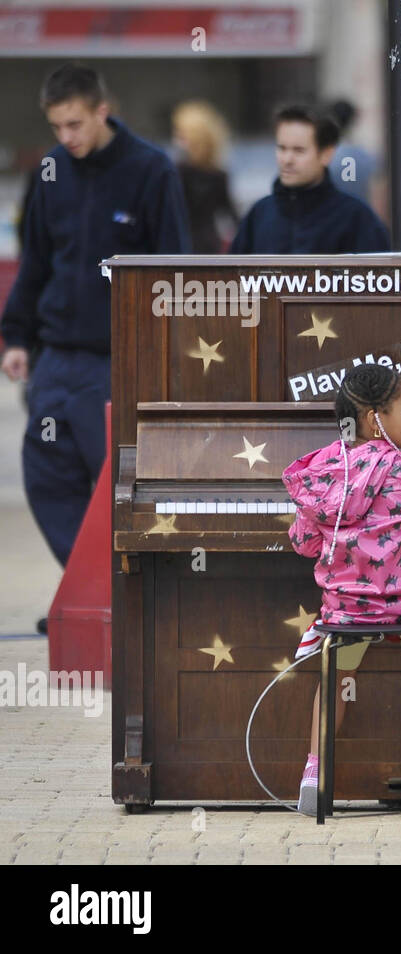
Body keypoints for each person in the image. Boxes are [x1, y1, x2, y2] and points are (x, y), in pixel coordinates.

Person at [1, 64, 188, 610]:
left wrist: (163, 353)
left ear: (102, 110)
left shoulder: (151, 170)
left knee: (115, 484)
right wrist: (16, 336)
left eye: (76, 124)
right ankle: (95, 594)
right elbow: (35, 261)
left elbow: (174, 269)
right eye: (57, 126)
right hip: (56, 356)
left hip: (118, 357)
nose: (67, 137)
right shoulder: (51, 172)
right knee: (45, 473)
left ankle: (123, 604)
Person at [283, 363, 401, 816]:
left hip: (347, 611)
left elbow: (303, 544)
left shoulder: (324, 474)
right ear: (374, 419)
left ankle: (315, 769)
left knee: (336, 676)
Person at [229, 105, 390, 254]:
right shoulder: (259, 214)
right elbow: (230, 278)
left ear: (326, 154)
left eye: (299, 151)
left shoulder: (356, 218)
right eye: (282, 148)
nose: (287, 159)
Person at [171, 100, 238, 254]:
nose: (176, 139)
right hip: (209, 245)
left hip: (183, 247)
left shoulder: (177, 172)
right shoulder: (219, 174)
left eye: (180, 134)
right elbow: (232, 216)